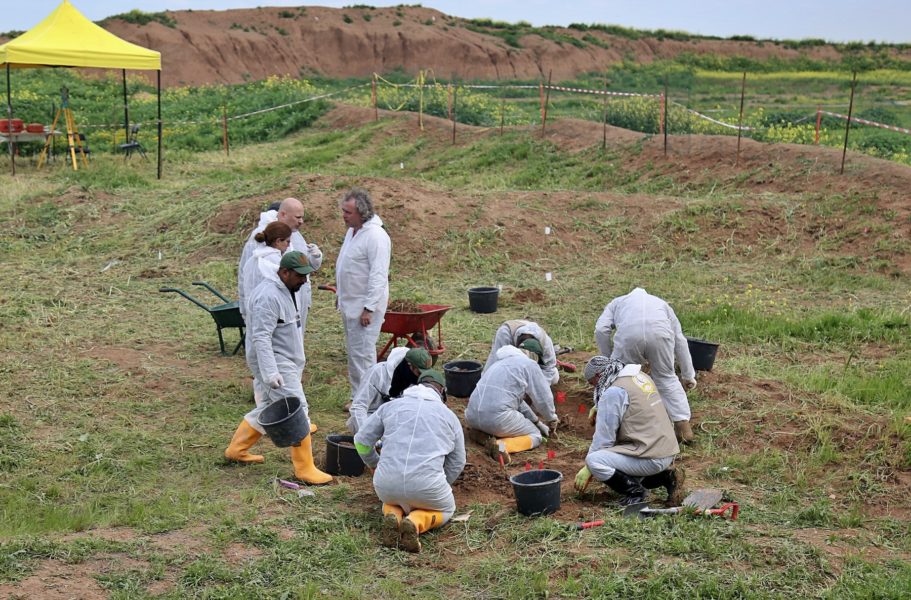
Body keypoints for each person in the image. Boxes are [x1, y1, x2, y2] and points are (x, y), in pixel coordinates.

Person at [224, 251, 332, 485]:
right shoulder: (268, 297)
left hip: (287, 359)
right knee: (297, 408)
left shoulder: (289, 287)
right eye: (300, 276)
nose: (304, 281)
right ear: (284, 272)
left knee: (269, 406)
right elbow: (261, 338)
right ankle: (304, 469)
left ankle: (237, 449)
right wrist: (270, 372)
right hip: (275, 361)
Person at [354, 370, 465, 553]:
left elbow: (361, 441)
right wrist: (441, 483)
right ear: (442, 392)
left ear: (415, 386)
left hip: (386, 484)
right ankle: (416, 522)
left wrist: (375, 464)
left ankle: (394, 517)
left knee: (390, 501)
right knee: (447, 510)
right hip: (428, 487)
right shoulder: (449, 417)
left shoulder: (390, 407)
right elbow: (458, 461)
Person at [573, 356, 684, 506]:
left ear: (600, 376)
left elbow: (604, 440)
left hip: (650, 455)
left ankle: (636, 493)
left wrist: (588, 468)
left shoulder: (613, 392)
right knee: (623, 467)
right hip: (666, 449)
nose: (595, 389)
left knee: (595, 460)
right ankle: (666, 476)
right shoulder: (638, 376)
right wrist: (601, 407)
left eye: (593, 384)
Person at [594, 288, 697, 443]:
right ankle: (683, 427)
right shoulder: (661, 304)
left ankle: (618, 428)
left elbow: (601, 330)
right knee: (666, 378)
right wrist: (688, 376)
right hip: (660, 334)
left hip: (629, 337)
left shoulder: (617, 303)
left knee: (622, 379)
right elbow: (679, 339)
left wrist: (610, 362)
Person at [238, 197, 323, 345]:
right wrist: (246, 308)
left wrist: (315, 257)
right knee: (272, 345)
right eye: (298, 217)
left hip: (293, 304)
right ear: (283, 214)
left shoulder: (294, 235)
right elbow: (247, 277)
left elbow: (304, 266)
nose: (301, 221)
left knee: (291, 347)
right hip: (271, 306)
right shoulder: (261, 244)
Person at [335, 187, 391, 403]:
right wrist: (340, 293)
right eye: (343, 211)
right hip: (350, 303)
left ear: (362, 212)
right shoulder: (352, 232)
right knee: (354, 355)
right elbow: (348, 266)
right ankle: (358, 397)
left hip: (364, 307)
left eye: (348, 212)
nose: (344, 216)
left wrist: (369, 307)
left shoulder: (376, 236)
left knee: (363, 356)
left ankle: (368, 401)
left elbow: (378, 275)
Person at [465, 340, 559, 464]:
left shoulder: (498, 364)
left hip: (472, 417)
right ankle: (501, 446)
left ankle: (482, 436)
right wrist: (551, 418)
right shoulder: (529, 364)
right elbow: (543, 398)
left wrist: (538, 423)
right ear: (534, 356)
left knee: (503, 418)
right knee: (535, 435)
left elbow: (517, 402)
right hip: (496, 419)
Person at [240, 221, 292, 406]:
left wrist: (244, 312)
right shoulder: (276, 265)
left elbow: (243, 289)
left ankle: (261, 416)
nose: (288, 246)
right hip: (272, 326)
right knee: (282, 393)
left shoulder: (252, 261)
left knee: (264, 387)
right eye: (287, 242)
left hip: (254, 322)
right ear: (278, 241)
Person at [346, 347, 433, 434]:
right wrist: (364, 436)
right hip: (372, 417)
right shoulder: (377, 372)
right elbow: (358, 407)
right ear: (409, 365)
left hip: (397, 421)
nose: (420, 377)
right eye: (419, 373)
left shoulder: (417, 381)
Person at [483, 319, 560, 385]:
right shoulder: (505, 335)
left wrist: (537, 390)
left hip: (535, 371)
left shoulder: (546, 344)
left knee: (554, 378)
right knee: (490, 380)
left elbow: (549, 369)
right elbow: (498, 366)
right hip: (510, 365)